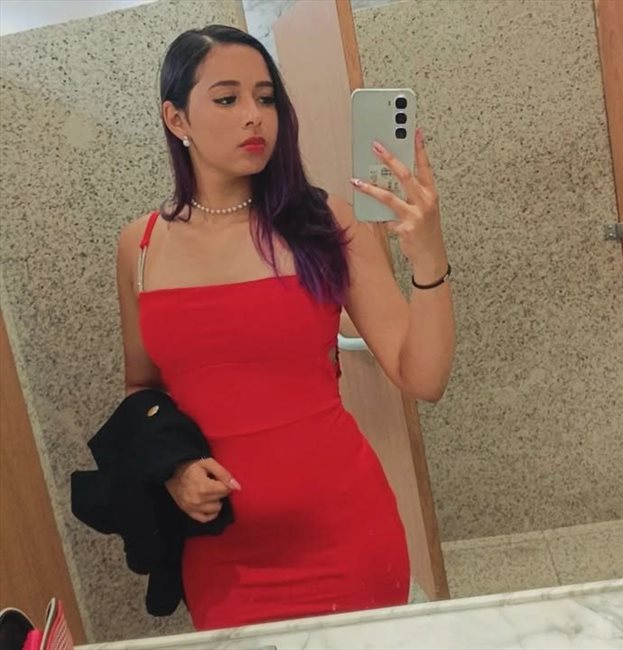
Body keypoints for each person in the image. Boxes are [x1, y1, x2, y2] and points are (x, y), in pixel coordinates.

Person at [116, 24, 455, 631]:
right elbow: (141, 388)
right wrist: (173, 469)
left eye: (266, 97)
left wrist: (429, 257)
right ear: (176, 118)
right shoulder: (139, 246)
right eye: (227, 98)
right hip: (221, 555)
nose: (255, 115)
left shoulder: (325, 222)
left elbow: (422, 376)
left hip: (344, 534)